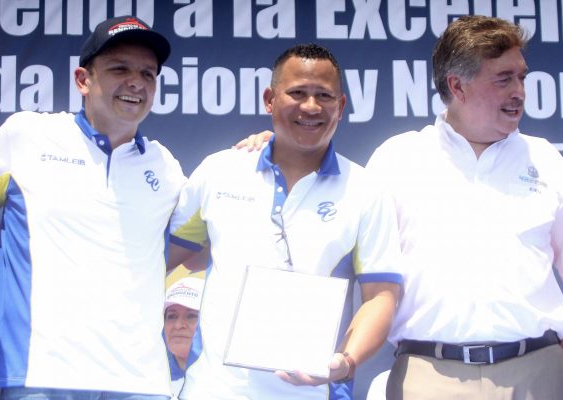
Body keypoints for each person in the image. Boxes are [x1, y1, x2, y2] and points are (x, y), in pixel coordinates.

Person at [363, 15, 563, 399]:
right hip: (428, 375)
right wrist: (267, 149)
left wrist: (551, 349)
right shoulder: (398, 159)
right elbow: (353, 258)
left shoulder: (546, 160)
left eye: (522, 77)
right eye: (504, 79)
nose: (519, 92)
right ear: (457, 86)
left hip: (537, 377)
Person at [167, 43, 402, 399]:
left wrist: (345, 362)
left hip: (313, 393)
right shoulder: (219, 171)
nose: (311, 106)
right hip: (214, 390)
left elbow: (380, 296)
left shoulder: (365, 191)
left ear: (340, 107)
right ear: (270, 99)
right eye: (297, 93)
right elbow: (157, 260)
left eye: (324, 95)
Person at [0, 15, 193, 400]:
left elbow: (201, 245)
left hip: (140, 381)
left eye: (147, 74)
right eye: (120, 69)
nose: (136, 82)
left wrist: (261, 151)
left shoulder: (165, 167)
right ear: (83, 79)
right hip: (41, 373)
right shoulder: (25, 136)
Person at [163, 273, 205, 398]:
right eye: (172, 316)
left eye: (191, 315)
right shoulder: (147, 377)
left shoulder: (228, 380)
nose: (178, 325)